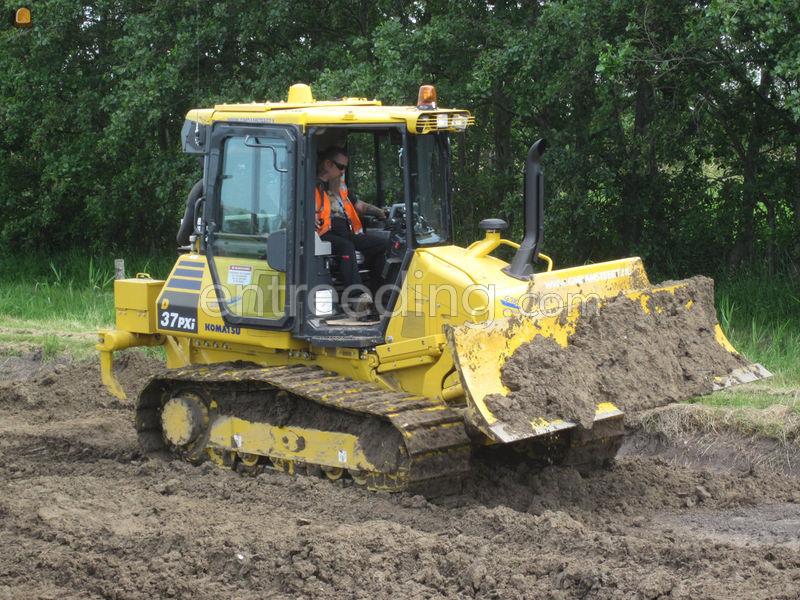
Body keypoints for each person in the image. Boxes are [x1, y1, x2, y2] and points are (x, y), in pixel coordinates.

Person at [315, 146, 389, 311]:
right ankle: (356, 297)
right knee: (346, 246)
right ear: (328, 164)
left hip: (345, 232)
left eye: (345, 168)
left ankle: (379, 296)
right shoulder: (314, 186)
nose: (343, 172)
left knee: (382, 245)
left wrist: (380, 212)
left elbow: (359, 206)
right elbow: (310, 210)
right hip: (324, 232)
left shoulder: (340, 188)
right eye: (340, 167)